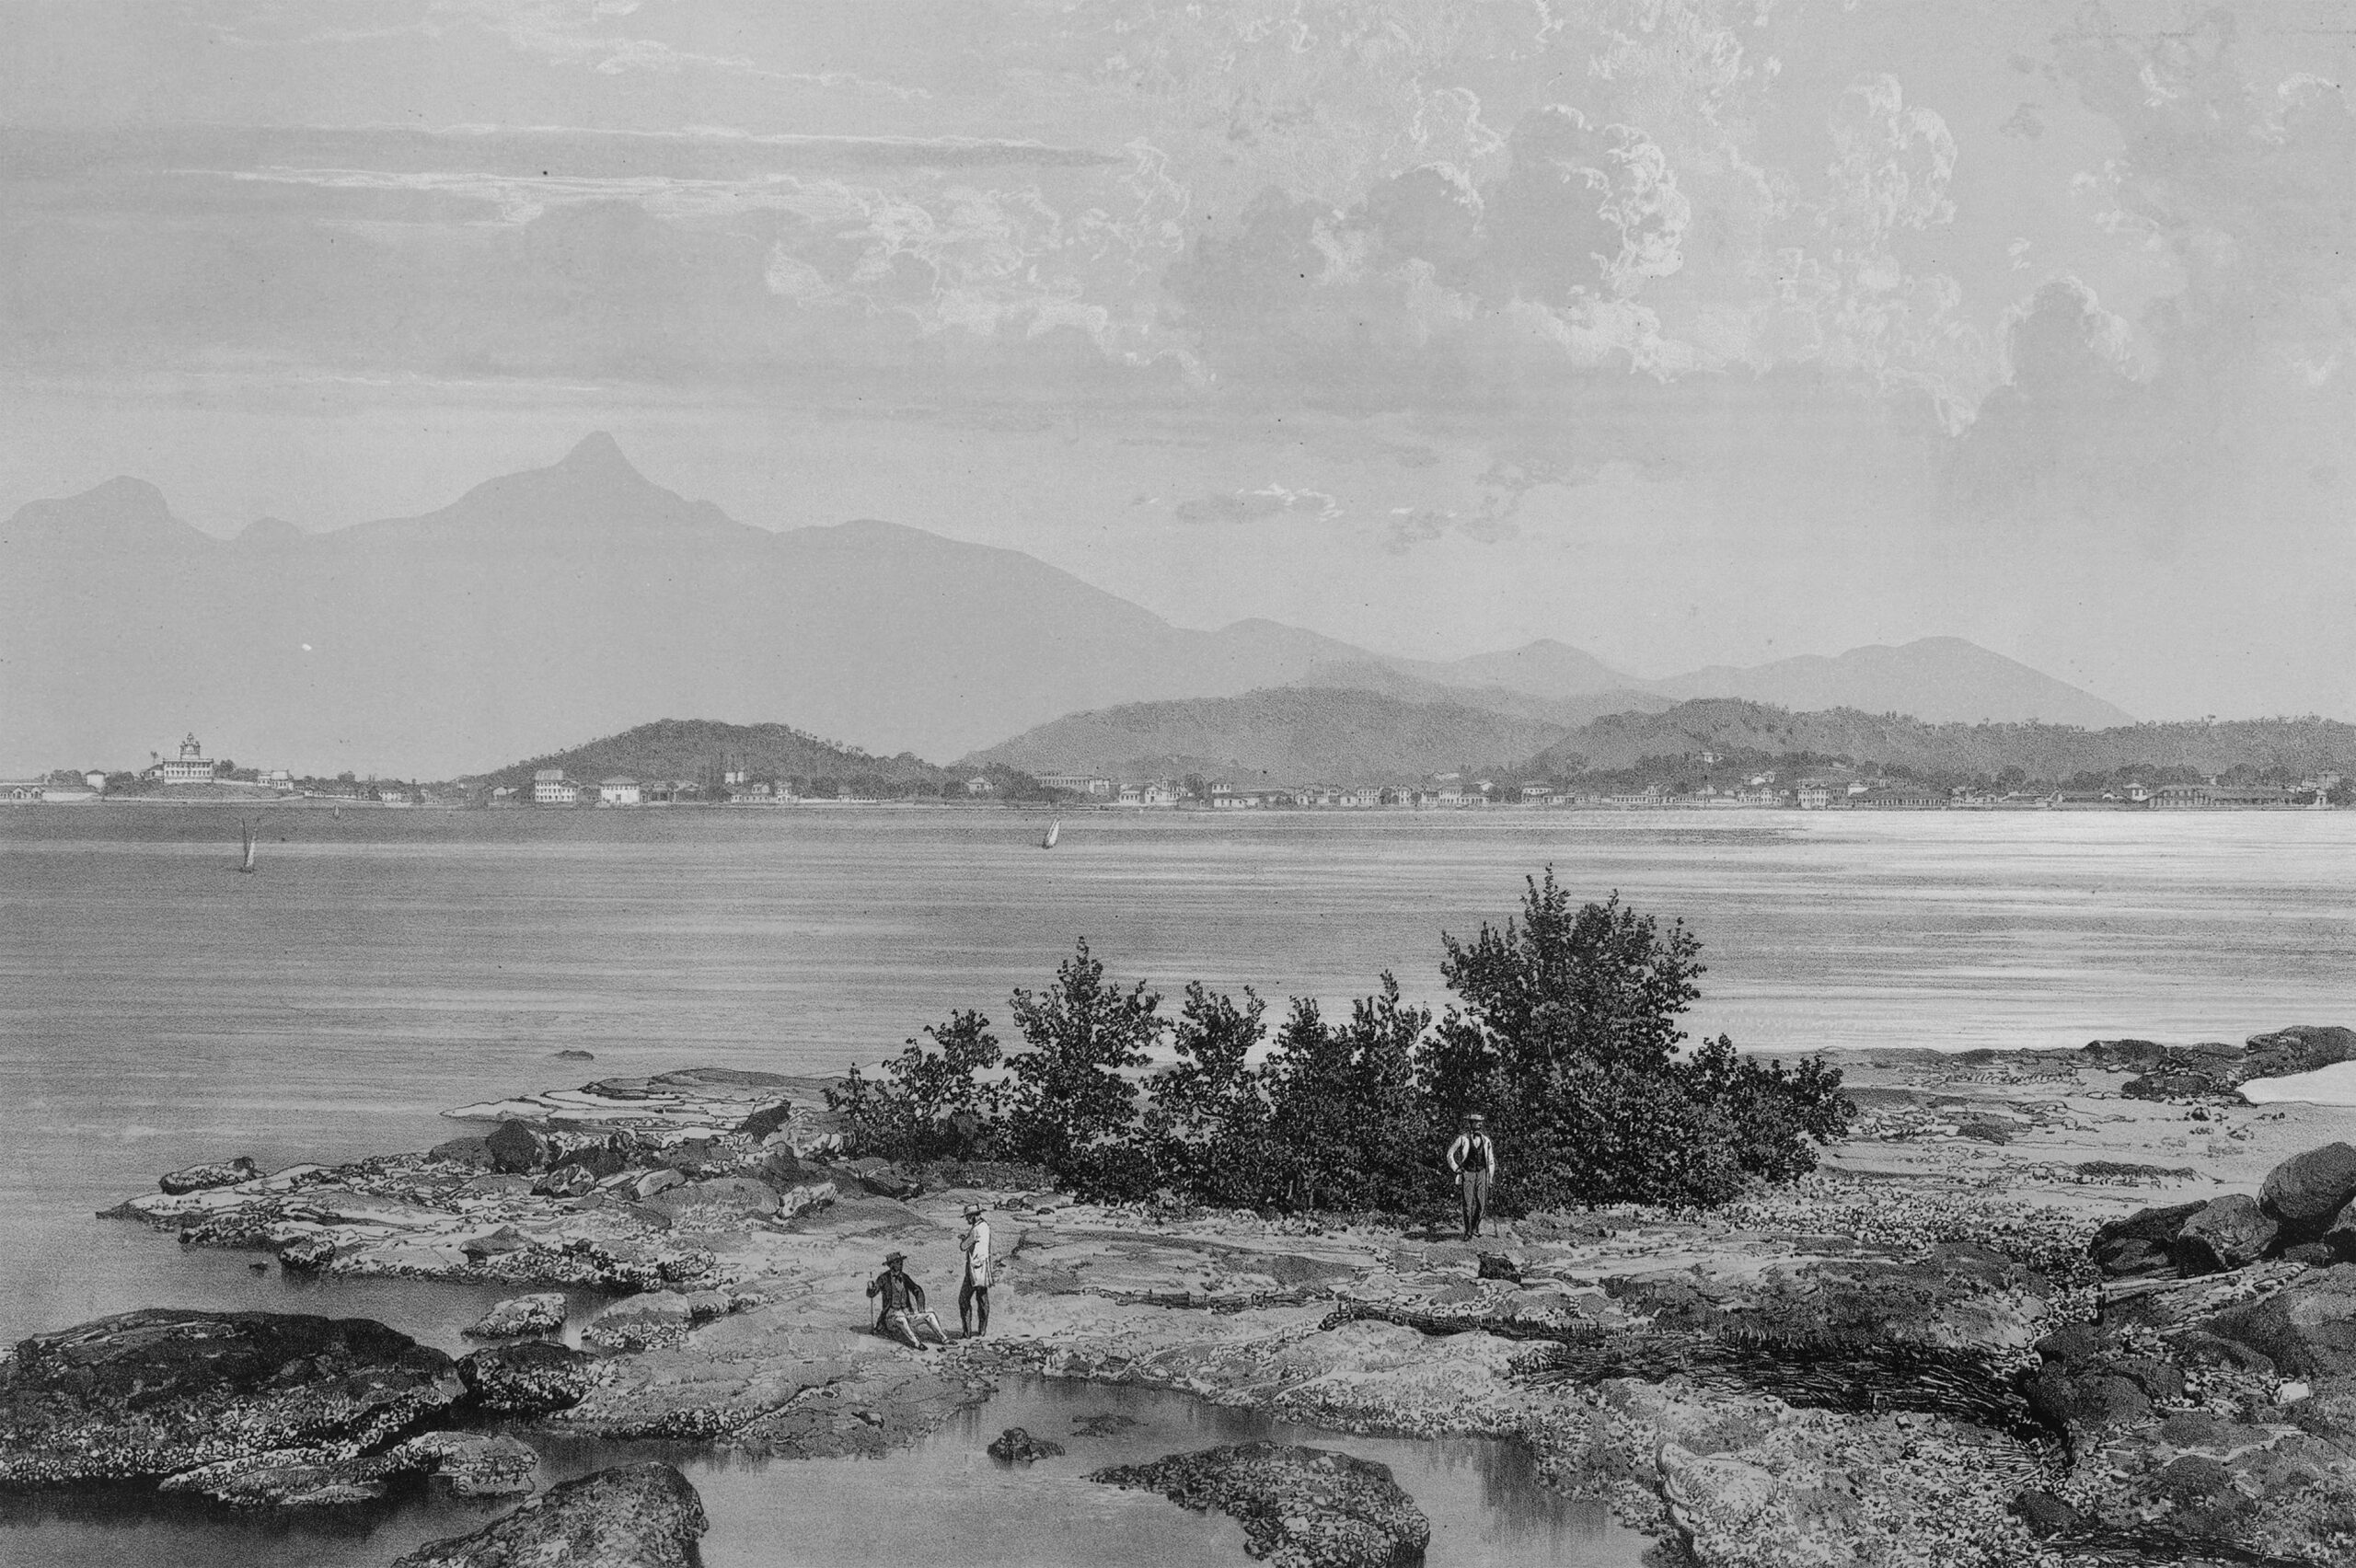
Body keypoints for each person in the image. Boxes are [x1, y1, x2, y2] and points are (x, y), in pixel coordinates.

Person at [866, 1251, 948, 1349]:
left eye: (900, 1261)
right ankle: (917, 1343)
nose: (900, 1264)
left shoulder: (904, 1277)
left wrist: (920, 1307)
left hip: (907, 1313)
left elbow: (917, 1289)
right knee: (901, 1319)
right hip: (891, 1317)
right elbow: (872, 1294)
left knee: (930, 1315)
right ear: (891, 1265)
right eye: (897, 1262)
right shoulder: (883, 1278)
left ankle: (944, 1339)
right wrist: (870, 1288)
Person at [1445, 1113, 1498, 1241]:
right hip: (1467, 1173)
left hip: (1482, 1173)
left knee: (1481, 1204)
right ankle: (1468, 1231)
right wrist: (1456, 1169)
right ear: (1470, 1123)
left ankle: (1474, 1227)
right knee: (1467, 1205)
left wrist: (1490, 1177)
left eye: (1480, 1121)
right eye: (1476, 1121)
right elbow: (1450, 1154)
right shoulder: (1462, 1139)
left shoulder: (1486, 1141)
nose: (1479, 1124)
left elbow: (1490, 1160)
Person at [958, 1203, 992, 1338]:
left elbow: (963, 1246)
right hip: (983, 1268)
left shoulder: (975, 1229)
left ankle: (967, 1333)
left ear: (973, 1216)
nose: (967, 1220)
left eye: (968, 1217)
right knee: (982, 1299)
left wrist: (963, 1239)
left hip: (974, 1269)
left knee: (963, 1300)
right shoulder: (985, 1226)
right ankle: (982, 1331)